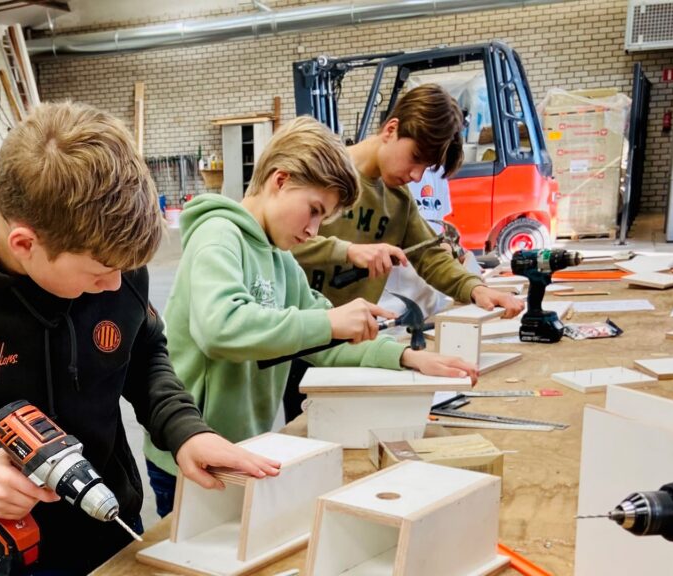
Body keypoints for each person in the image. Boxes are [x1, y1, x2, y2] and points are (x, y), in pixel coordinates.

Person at [0, 101, 281, 576]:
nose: (115, 285)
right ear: (25, 244)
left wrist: (184, 430)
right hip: (9, 545)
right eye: (98, 274)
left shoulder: (114, 255)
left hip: (113, 519)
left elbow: (144, 353)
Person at [142, 116, 478, 518]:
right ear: (280, 180)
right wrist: (329, 323)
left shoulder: (283, 261)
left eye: (324, 219)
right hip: (192, 456)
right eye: (314, 210)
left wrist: (405, 358)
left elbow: (324, 342)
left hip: (244, 448)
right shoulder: (219, 235)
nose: (314, 230)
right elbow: (221, 328)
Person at [285, 84, 525, 422]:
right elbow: (277, 244)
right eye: (415, 159)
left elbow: (430, 255)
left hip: (352, 346)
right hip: (296, 339)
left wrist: (475, 288)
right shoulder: (321, 173)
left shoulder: (397, 201)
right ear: (391, 129)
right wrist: (348, 251)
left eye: (426, 168)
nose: (415, 175)